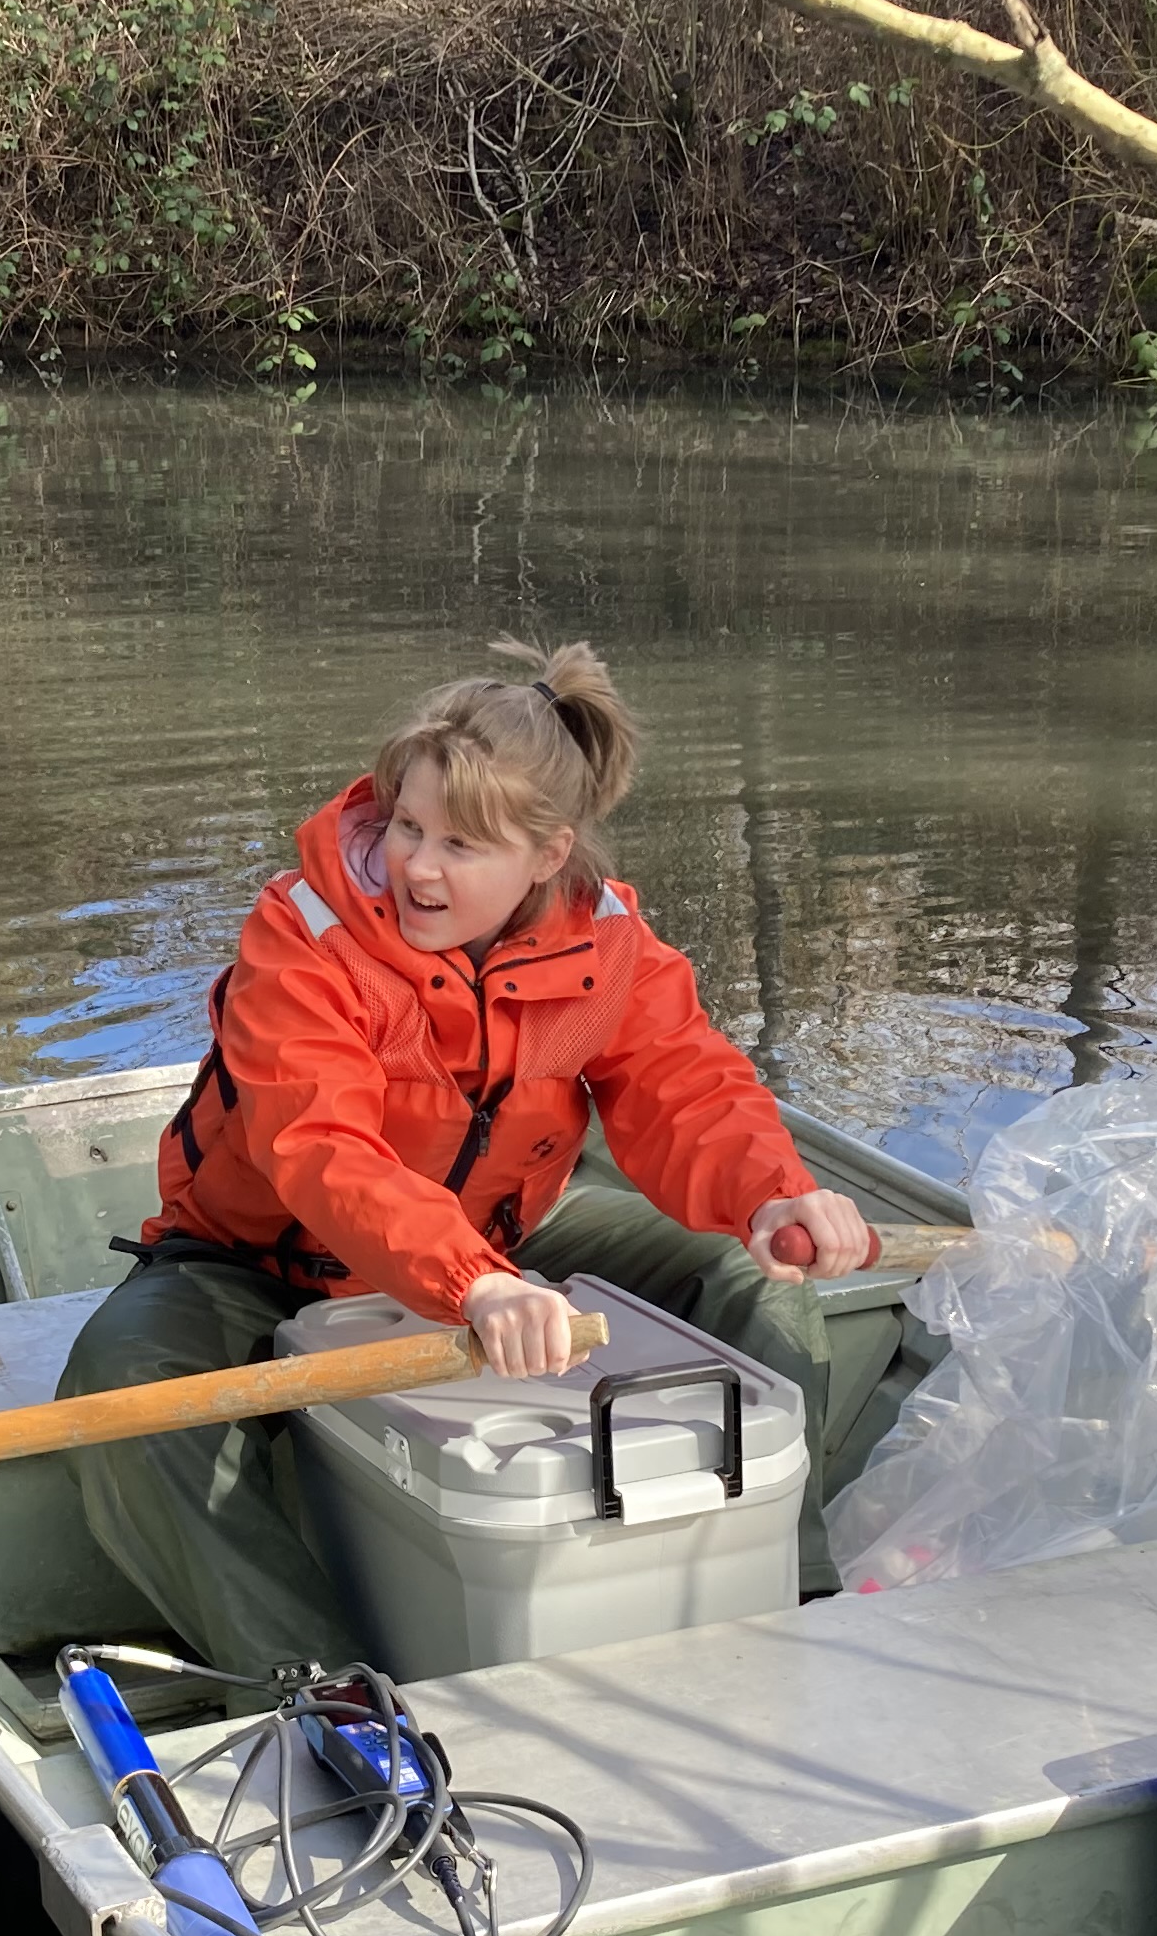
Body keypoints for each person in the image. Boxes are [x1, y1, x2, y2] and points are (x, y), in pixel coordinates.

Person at [60, 639, 879, 1677]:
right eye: (407, 826)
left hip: (507, 1236)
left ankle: (787, 1593)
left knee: (753, 1274)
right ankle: (323, 1690)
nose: (416, 866)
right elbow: (321, 1148)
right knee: (123, 1379)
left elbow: (686, 1084)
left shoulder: (608, 942)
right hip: (267, 1259)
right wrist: (473, 1285)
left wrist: (772, 1194)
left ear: (547, 855)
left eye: (460, 844)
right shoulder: (303, 937)